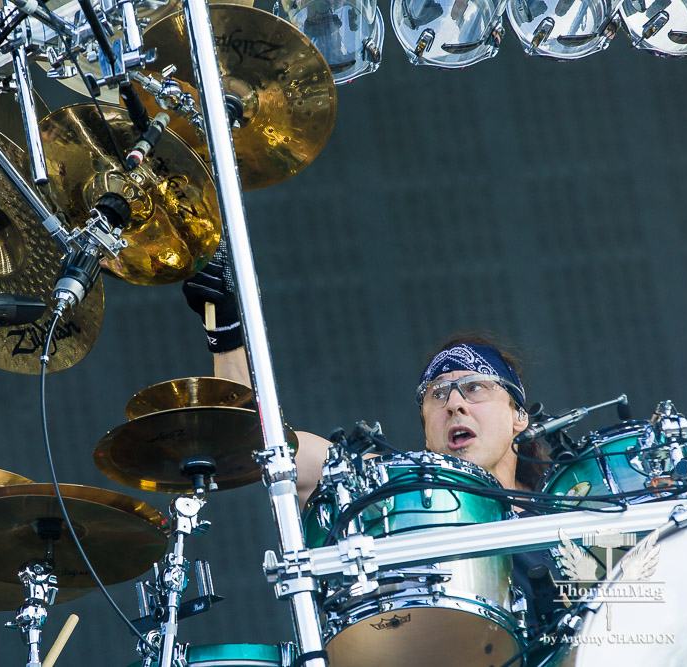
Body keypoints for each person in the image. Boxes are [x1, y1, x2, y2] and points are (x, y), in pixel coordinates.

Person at [182, 248, 562, 644]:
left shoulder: (571, 509)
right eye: (437, 395)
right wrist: (228, 329)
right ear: (427, 432)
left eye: (475, 387)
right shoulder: (387, 492)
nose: (454, 404)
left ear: (520, 415)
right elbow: (261, 446)